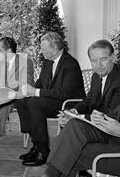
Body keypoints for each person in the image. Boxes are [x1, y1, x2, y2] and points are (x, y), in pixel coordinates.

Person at [11, 39, 120, 177]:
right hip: (106, 135)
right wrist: (74, 111)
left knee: (75, 129)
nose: (98, 65)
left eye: (103, 59)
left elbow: (111, 118)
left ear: (113, 57)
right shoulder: (98, 76)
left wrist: (80, 119)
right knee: (70, 152)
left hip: (116, 141)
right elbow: (89, 101)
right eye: (94, 61)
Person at [14, 32, 85, 166]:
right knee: (21, 100)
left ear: (55, 48)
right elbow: (41, 81)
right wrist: (29, 91)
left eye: (44, 48)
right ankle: (36, 145)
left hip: (68, 104)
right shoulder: (48, 61)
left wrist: (36, 92)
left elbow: (65, 93)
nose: (41, 51)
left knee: (35, 103)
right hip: (52, 100)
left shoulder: (71, 64)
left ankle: (43, 151)